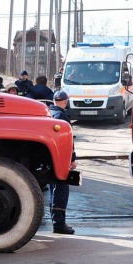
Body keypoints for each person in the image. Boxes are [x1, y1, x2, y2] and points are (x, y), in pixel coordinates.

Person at [49, 90, 77, 234]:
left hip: (51, 158)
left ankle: (56, 221)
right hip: (61, 159)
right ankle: (59, 224)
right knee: (61, 191)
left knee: (54, 190)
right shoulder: (62, 117)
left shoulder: (49, 113)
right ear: (66, 102)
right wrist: (73, 159)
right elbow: (68, 141)